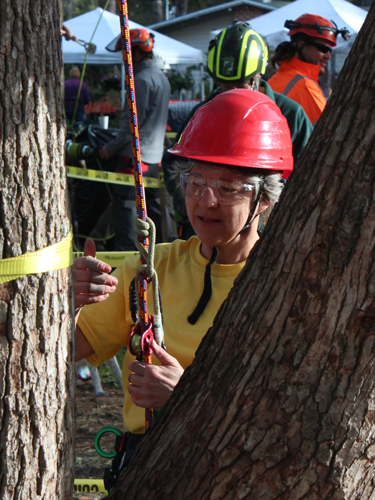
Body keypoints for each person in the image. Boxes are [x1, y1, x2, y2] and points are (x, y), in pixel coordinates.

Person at [74, 90, 293, 485]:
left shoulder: (286, 286)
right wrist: (57, 304)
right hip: (143, 471)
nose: (205, 201)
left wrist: (186, 397)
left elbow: (296, 415)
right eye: (195, 182)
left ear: (265, 197)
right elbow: (60, 349)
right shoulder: (149, 270)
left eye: (228, 187)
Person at [163, 21, 313, 239]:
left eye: (239, 86)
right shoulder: (204, 112)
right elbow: (173, 164)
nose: (230, 94)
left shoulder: (290, 114)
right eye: (224, 86)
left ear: (257, 77)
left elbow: (308, 179)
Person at [98, 28, 174, 251]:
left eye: (126, 52)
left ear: (138, 53)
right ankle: (162, 257)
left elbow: (131, 125)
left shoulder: (139, 81)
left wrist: (109, 149)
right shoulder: (162, 78)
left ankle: (126, 266)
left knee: (127, 215)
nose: (123, 58)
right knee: (156, 212)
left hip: (133, 160)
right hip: (154, 159)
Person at [268, 14, 350, 124]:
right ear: (302, 46)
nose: (328, 56)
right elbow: (324, 133)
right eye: (323, 49)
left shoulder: (275, 79)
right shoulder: (306, 87)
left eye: (330, 51)